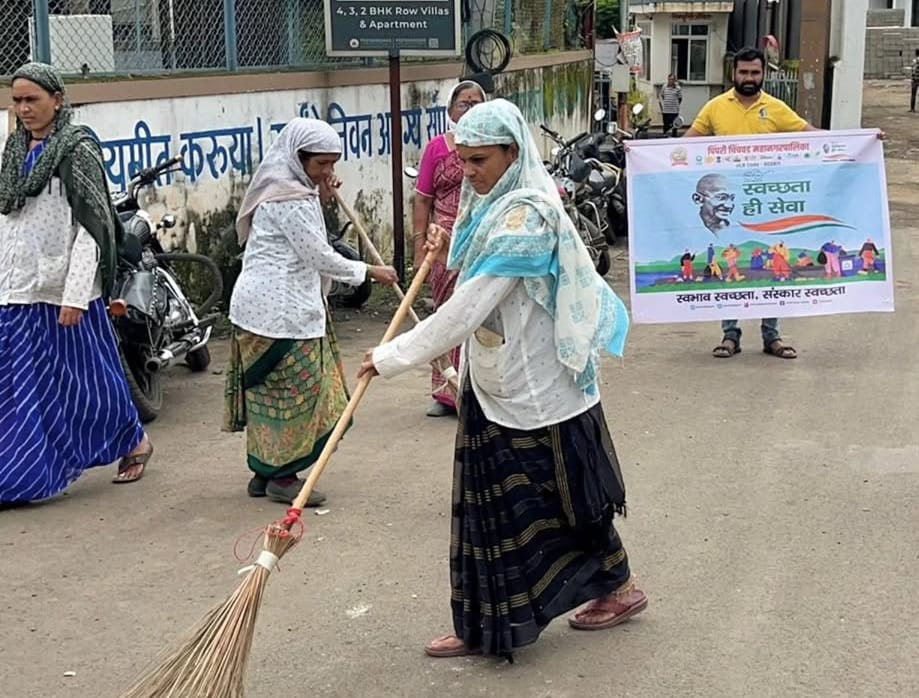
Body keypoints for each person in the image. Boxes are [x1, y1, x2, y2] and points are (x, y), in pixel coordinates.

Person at [359, 99, 647, 660]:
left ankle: (618, 589)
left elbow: (469, 306)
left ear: (514, 153)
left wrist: (391, 356)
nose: (469, 172)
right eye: (463, 160)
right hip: (494, 383)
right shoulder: (491, 202)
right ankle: (485, 624)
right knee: (489, 510)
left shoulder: (529, 215)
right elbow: (469, 247)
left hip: (545, 389)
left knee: (565, 501)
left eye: (480, 161)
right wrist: (445, 242)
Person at [0, 63, 154, 504]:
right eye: (16, 100)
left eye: (32, 99)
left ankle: (134, 441)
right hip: (14, 291)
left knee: (87, 381)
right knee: (17, 385)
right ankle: (22, 467)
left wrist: (75, 295)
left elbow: (93, 228)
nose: (23, 108)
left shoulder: (77, 150)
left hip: (62, 291)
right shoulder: (15, 151)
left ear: (58, 100)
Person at [223, 118, 397, 506]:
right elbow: (319, 254)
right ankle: (283, 477)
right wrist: (370, 271)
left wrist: (320, 189)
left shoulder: (280, 188)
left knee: (268, 394)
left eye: (332, 164)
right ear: (296, 158)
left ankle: (264, 470)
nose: (328, 172)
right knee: (301, 393)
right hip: (281, 313)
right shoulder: (293, 200)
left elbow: (306, 234)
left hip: (259, 310)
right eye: (321, 165)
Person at [684, 47, 821, 360]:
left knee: (771, 271)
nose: (749, 78)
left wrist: (860, 140)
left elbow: (810, 135)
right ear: (734, 73)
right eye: (743, 72)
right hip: (729, 210)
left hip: (766, 205)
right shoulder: (715, 108)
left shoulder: (775, 108)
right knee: (731, 270)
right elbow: (687, 142)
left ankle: (772, 336)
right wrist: (640, 151)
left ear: (764, 73)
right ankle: (730, 335)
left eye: (755, 73)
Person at [412, 79, 486, 417]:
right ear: (451, 111)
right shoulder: (437, 149)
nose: (469, 109)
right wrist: (419, 248)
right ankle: (444, 391)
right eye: (463, 104)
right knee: (446, 314)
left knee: (479, 313)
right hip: (442, 242)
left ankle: (477, 391)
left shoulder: (493, 147)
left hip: (481, 239)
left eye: (477, 103)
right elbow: (423, 198)